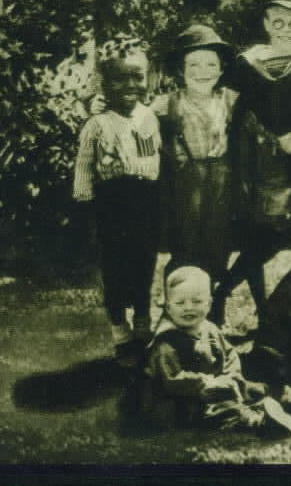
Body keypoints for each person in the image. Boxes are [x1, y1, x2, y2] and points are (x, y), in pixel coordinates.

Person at [213, 0, 291, 321]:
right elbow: (226, 105)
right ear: (265, 23)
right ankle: (234, 298)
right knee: (262, 236)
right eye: (277, 21)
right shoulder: (246, 63)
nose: (285, 29)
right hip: (261, 163)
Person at [72, 41, 161, 362]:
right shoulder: (98, 124)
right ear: (104, 83)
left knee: (145, 264)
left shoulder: (148, 117)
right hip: (113, 201)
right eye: (119, 78)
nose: (130, 85)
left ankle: (143, 324)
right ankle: (120, 332)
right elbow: (84, 162)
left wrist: (155, 182)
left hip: (146, 199)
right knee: (115, 268)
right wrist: (84, 195)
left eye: (137, 76)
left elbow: (151, 153)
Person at [139, 266, 291, 436]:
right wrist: (206, 383)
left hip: (216, 387)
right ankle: (256, 419)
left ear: (209, 304)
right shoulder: (166, 342)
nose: (188, 308)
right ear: (168, 307)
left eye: (197, 302)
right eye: (180, 303)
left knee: (253, 388)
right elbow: (172, 380)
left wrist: (231, 375)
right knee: (218, 413)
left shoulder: (208, 328)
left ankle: (267, 404)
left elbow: (229, 354)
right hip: (183, 399)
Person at [152, 25, 239, 304]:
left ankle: (213, 307)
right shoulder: (167, 103)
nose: (203, 72)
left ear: (222, 68)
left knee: (218, 246)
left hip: (222, 183)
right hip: (185, 184)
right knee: (185, 247)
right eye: (194, 64)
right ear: (181, 69)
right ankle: (175, 305)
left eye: (211, 64)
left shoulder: (230, 100)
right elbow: (132, 119)